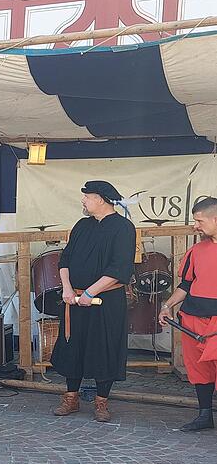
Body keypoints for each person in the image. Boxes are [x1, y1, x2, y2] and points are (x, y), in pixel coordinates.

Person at [50, 181, 136, 423]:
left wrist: (90, 292)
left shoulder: (123, 228)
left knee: (104, 347)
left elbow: (120, 268)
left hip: (107, 301)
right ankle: (71, 398)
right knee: (72, 345)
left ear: (100, 199)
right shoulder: (82, 226)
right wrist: (68, 288)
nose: (83, 201)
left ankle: (102, 401)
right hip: (75, 299)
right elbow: (65, 259)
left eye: (87, 197)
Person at [159, 197, 217, 431]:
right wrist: (167, 305)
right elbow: (186, 285)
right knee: (199, 370)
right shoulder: (196, 251)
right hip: (192, 319)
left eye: (199, 221)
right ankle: (205, 415)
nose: (195, 226)